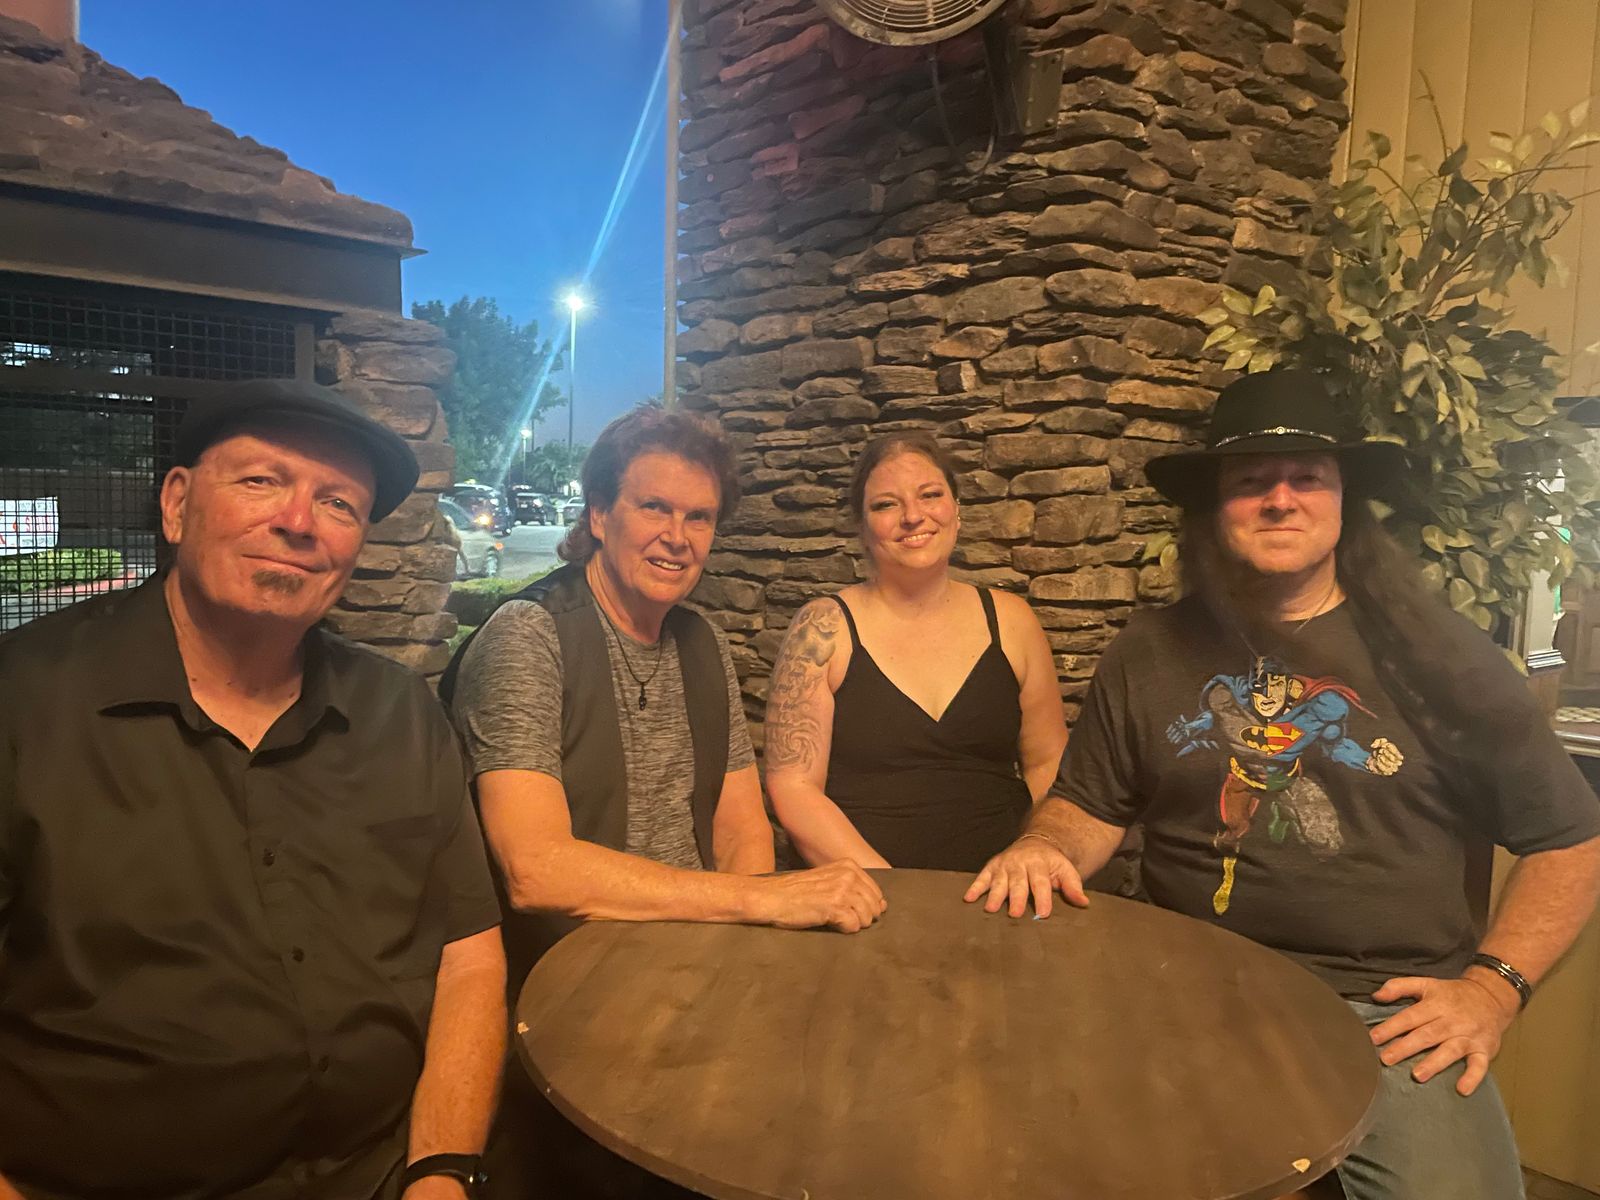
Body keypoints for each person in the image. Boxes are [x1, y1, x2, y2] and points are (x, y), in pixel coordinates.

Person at [965, 368, 1600, 1199]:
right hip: (1182, 984)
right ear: (1215, 506)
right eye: (1252, 480)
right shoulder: (1150, 649)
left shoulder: (1438, 653)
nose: (1280, 499)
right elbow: (1089, 802)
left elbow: (1570, 840)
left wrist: (1493, 989)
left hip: (1387, 1013)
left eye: (1307, 477)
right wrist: (1044, 846)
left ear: (1343, 501)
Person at [0, 379, 506, 1200]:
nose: (300, 522)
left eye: (338, 503)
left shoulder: (401, 713)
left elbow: (468, 955)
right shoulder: (22, 703)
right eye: (262, 481)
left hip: (386, 1174)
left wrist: (442, 1172)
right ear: (177, 503)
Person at [443, 405, 885, 1197]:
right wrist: (755, 904)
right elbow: (536, 871)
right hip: (564, 1002)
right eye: (654, 507)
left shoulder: (701, 640)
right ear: (599, 515)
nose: (677, 537)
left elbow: (741, 826)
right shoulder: (528, 637)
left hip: (696, 973)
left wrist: (745, 961)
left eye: (699, 517)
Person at [764, 431, 1068, 871]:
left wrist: (1033, 855)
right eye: (886, 504)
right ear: (862, 527)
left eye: (930, 495)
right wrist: (891, 891)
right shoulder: (822, 628)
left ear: (956, 509)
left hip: (1002, 888)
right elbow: (793, 787)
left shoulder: (1012, 621)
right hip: (859, 891)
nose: (912, 516)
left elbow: (1048, 764)